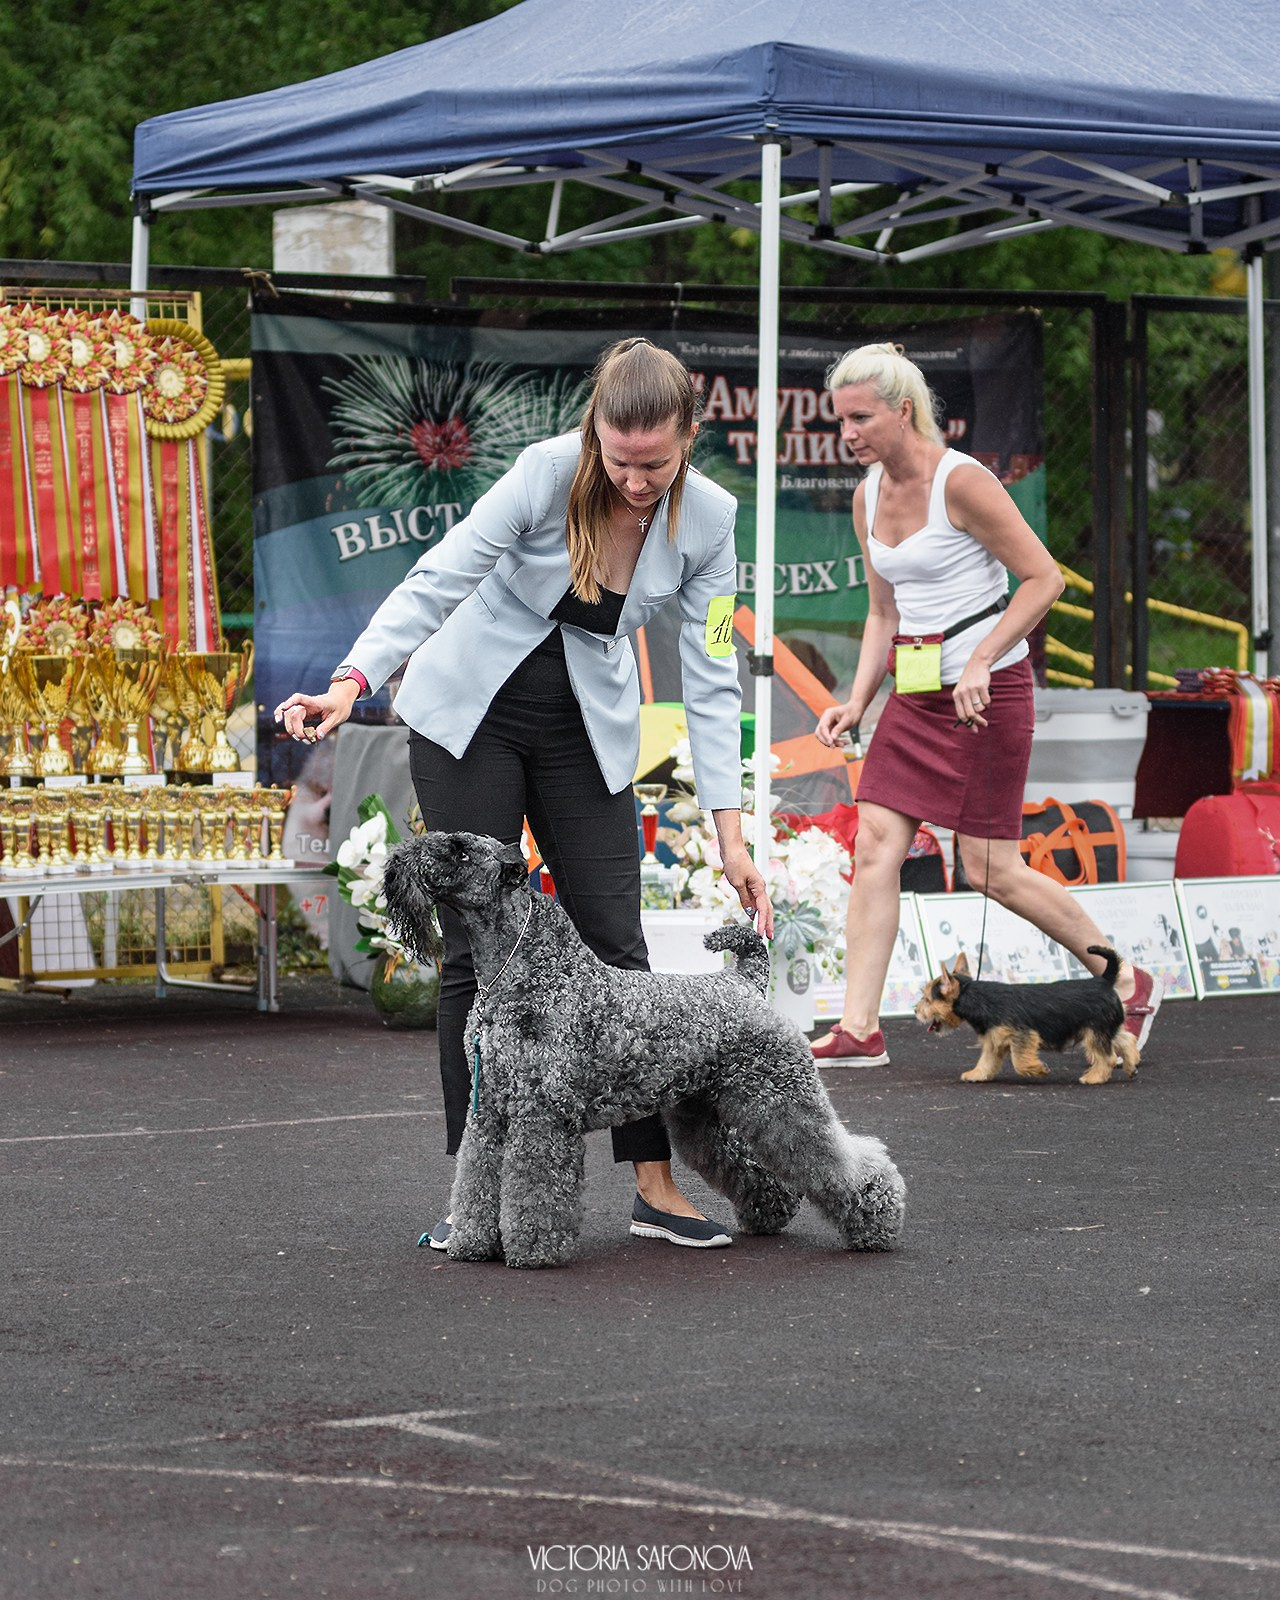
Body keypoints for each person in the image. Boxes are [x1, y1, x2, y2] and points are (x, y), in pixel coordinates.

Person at [275, 337, 773, 1250]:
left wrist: (732, 834)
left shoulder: (710, 520)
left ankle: (654, 1185)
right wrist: (352, 681)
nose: (635, 481)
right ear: (595, 437)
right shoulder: (545, 475)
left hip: (586, 728)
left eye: (655, 464)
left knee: (617, 945)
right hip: (473, 714)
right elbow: (440, 576)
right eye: (619, 461)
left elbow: (710, 673)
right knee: (478, 954)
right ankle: (478, 1196)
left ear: (689, 441)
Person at [810, 342, 1162, 1063]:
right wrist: (856, 701)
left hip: (987, 693)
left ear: (901, 410)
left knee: (990, 868)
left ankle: (1125, 977)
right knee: (875, 843)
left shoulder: (963, 482)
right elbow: (884, 612)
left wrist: (977, 659)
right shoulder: (866, 495)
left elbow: (1043, 580)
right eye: (839, 419)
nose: (847, 433)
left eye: (860, 417)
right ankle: (860, 1029)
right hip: (913, 695)